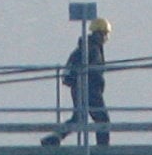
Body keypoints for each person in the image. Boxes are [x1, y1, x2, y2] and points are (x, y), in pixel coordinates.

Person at [40, 17, 112, 148]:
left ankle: (55, 138)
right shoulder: (93, 49)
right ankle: (103, 147)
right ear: (98, 34)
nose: (105, 37)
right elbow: (92, 71)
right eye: (104, 34)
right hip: (90, 89)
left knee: (79, 117)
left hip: (79, 88)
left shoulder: (82, 48)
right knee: (102, 119)